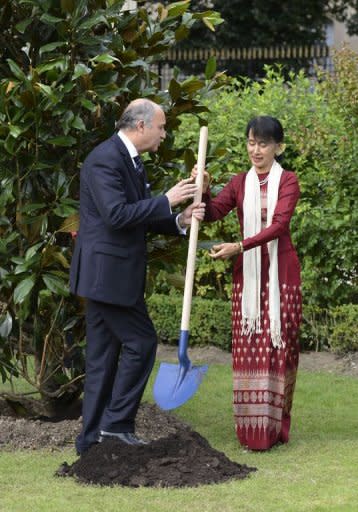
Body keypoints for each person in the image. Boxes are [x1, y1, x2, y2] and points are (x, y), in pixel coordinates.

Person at [70, 98, 205, 455]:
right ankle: (115, 426)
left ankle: (90, 441)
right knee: (142, 342)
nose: (164, 133)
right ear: (141, 126)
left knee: (101, 357)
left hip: (109, 277)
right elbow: (116, 215)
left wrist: (179, 218)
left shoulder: (129, 159)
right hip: (107, 277)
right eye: (161, 127)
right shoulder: (105, 159)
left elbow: (136, 214)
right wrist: (167, 199)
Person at [193, 115, 301, 450]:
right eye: (251, 142)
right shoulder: (240, 183)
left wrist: (239, 246)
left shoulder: (289, 181)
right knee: (250, 349)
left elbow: (279, 226)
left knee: (279, 350)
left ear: (277, 147)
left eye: (263, 143)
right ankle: (252, 432)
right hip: (249, 279)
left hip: (282, 276)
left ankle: (276, 430)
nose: (256, 150)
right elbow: (211, 212)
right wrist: (205, 188)